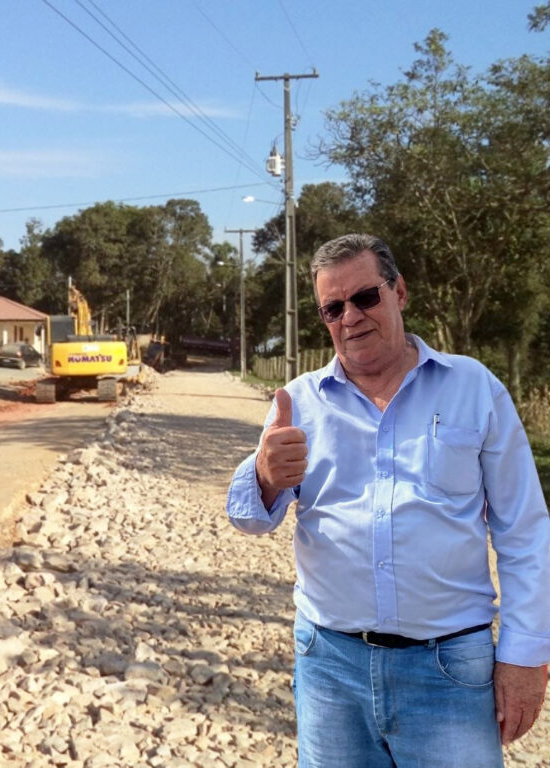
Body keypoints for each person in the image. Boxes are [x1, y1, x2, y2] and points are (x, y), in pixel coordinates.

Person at [226, 234, 549, 767]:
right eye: (333, 308)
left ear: (399, 291)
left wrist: (525, 657)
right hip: (329, 666)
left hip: (450, 669)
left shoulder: (475, 388)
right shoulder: (299, 401)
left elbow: (524, 530)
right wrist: (263, 476)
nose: (350, 316)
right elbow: (248, 518)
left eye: (365, 297)